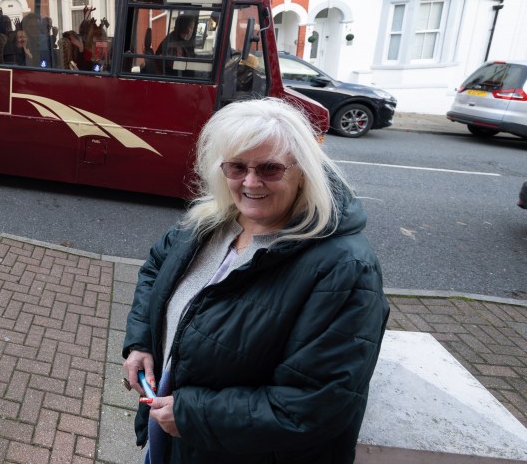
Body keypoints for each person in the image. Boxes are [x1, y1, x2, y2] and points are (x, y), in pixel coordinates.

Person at [122, 97, 389, 464]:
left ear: (303, 172)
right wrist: (141, 343)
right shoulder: (210, 221)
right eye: (236, 167)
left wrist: (191, 415)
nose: (250, 182)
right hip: (172, 442)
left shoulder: (345, 269)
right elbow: (155, 270)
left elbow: (316, 404)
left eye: (270, 169)